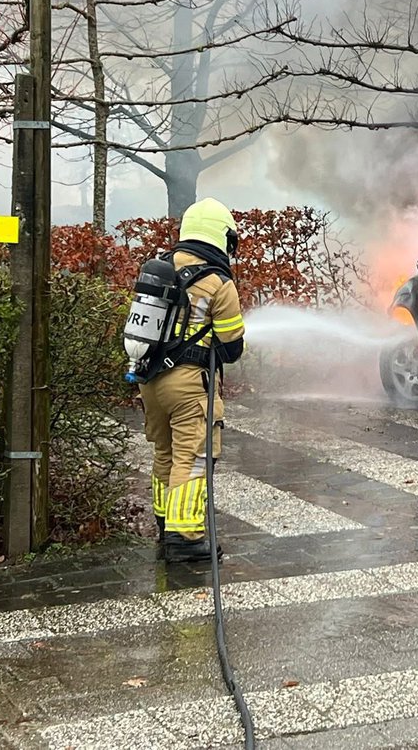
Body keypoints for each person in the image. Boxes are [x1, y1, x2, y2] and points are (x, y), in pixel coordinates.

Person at [139, 198, 246, 563]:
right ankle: (185, 537)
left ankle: (164, 523)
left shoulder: (161, 267)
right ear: (222, 237)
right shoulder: (218, 282)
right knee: (194, 455)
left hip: (150, 379)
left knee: (165, 452)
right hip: (188, 384)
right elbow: (231, 347)